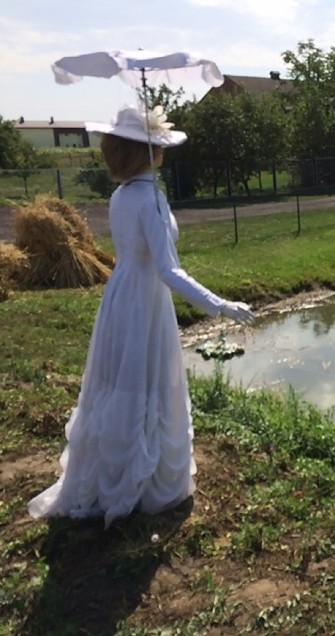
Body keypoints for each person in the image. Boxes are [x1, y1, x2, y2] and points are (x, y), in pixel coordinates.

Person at [28, 105, 255, 528]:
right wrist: (220, 304)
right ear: (149, 153)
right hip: (146, 298)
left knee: (122, 379)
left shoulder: (121, 195)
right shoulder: (149, 198)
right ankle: (142, 481)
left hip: (123, 293)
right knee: (144, 377)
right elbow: (169, 270)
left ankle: (113, 470)